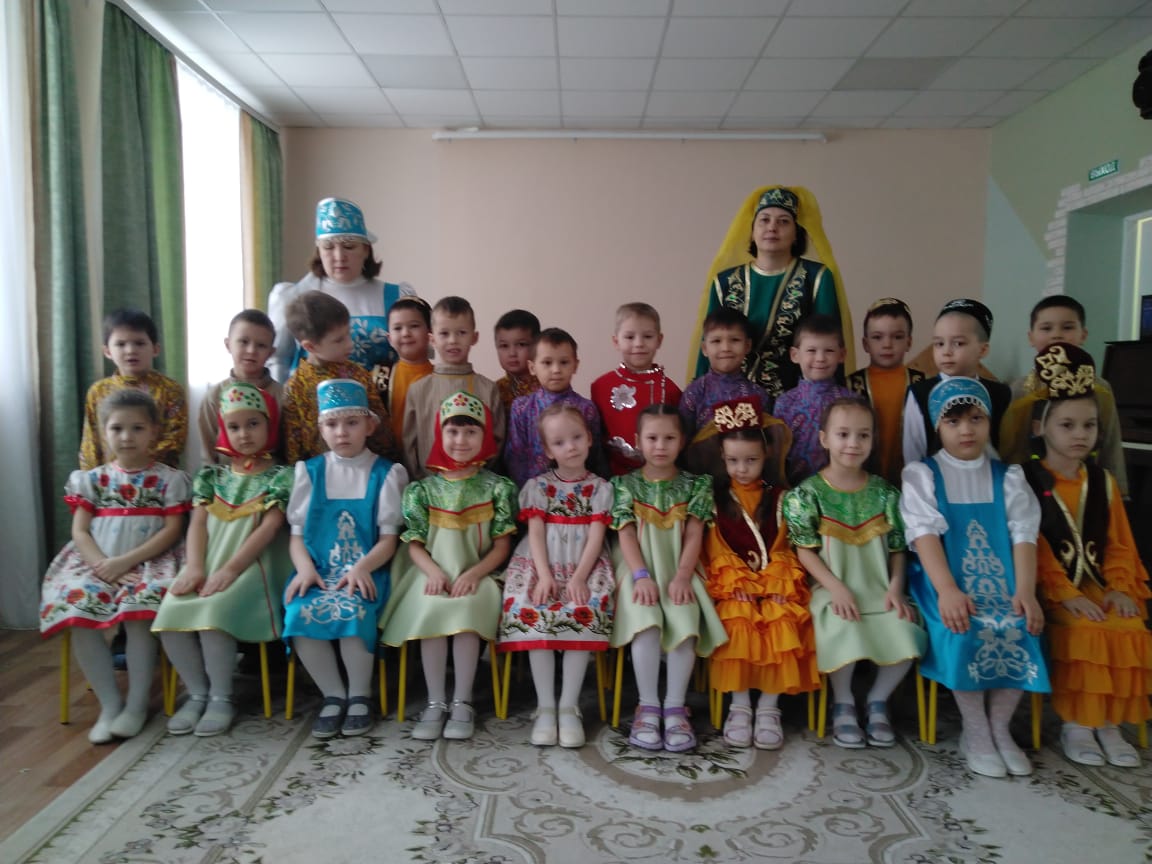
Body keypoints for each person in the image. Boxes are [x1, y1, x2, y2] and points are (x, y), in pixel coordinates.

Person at [902, 377, 1048, 779]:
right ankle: (976, 729)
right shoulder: (922, 474)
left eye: (976, 419)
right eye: (954, 422)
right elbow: (924, 535)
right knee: (964, 627)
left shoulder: (1009, 476)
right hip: (943, 579)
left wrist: (1025, 591)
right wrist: (947, 590)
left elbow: (1023, 535)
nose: (966, 430)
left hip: (1004, 580)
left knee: (1022, 623)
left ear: (989, 422)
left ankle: (1000, 727)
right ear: (938, 426)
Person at [1021, 342, 1151, 768]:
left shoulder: (1103, 482)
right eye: (1067, 425)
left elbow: (1119, 543)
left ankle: (1109, 723)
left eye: (1089, 425)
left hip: (1098, 584)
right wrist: (1065, 594)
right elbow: (1033, 546)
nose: (1080, 435)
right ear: (1040, 427)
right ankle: (1078, 723)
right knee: (1085, 628)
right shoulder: (1026, 480)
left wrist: (1119, 587)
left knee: (1128, 623)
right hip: (1049, 587)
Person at [40, 389, 190, 743]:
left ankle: (136, 705)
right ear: (103, 432)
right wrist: (101, 565)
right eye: (117, 428)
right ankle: (110, 705)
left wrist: (126, 562)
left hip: (150, 562)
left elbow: (172, 531)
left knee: (139, 615)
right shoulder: (90, 480)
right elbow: (80, 531)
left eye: (137, 428)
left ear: (154, 431)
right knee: (77, 607)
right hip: (96, 561)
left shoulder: (170, 480)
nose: (126, 437)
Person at [783, 398, 925, 749]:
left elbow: (897, 549)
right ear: (824, 438)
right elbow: (805, 550)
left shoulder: (886, 493)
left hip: (879, 588)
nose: (853, 443)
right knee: (841, 627)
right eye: (843, 434)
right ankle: (843, 701)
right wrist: (834, 588)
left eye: (863, 435)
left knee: (907, 632)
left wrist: (896, 588)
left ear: (873, 439)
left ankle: (877, 700)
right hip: (831, 589)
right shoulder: (806, 494)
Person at [154, 382, 292, 736]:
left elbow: (270, 527)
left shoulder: (282, 476)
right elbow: (198, 525)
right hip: (209, 562)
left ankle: (221, 696)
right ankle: (197, 693)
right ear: (222, 430)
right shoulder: (212, 477)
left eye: (253, 424)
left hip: (255, 566)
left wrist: (231, 570)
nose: (244, 434)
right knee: (170, 613)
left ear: (269, 425)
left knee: (214, 614)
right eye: (234, 426)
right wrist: (195, 567)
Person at [381, 392, 517, 741]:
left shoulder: (498, 488)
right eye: (453, 432)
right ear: (440, 435)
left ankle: (462, 700)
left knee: (467, 616)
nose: (461, 440)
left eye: (471, 432)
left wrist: (474, 573)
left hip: (480, 574)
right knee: (432, 613)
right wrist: (433, 572)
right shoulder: (422, 491)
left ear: (485, 436)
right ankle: (435, 700)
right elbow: (414, 544)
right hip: (432, 574)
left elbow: (502, 546)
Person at [282, 379, 408, 739]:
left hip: (368, 569)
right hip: (318, 570)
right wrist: (304, 569)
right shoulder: (309, 472)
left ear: (369, 425)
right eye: (332, 424)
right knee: (299, 610)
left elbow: (388, 540)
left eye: (351, 423)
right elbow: (296, 537)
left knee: (354, 609)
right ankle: (333, 693)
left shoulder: (386, 473)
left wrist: (362, 567)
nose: (342, 432)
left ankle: (359, 694)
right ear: (321, 428)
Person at [702, 398, 818, 749]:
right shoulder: (714, 498)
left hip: (773, 577)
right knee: (738, 617)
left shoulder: (782, 498)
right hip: (732, 584)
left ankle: (769, 706)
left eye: (751, 460)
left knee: (781, 615)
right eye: (733, 460)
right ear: (723, 457)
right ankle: (739, 705)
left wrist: (776, 582)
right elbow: (715, 545)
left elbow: (784, 545)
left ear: (766, 455)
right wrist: (735, 582)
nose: (742, 469)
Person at [609, 405, 728, 752]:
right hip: (637, 567)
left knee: (685, 622)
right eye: (652, 438)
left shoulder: (696, 484)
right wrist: (641, 576)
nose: (660, 446)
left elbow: (694, 534)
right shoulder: (623, 484)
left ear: (682, 441)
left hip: (680, 566)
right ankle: (647, 705)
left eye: (669, 438)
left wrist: (683, 575)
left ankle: (675, 706)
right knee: (645, 622)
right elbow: (626, 534)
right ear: (637, 441)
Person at [497, 404, 615, 748]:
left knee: (584, 611)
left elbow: (596, 537)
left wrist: (579, 577)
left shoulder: (601, 488)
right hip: (541, 563)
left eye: (576, 437)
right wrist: (544, 574)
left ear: (589, 439)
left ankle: (569, 706)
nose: (571, 447)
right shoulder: (538, 486)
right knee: (535, 614)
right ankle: (546, 706)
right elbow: (535, 533)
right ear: (548, 450)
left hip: (584, 565)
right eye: (560, 442)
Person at [689, 185, 853, 400]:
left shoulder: (816, 278)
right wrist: (699, 395)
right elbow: (710, 342)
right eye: (764, 220)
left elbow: (829, 341)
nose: (772, 227)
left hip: (797, 399)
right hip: (731, 399)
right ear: (752, 231)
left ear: (796, 233)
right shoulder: (725, 281)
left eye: (783, 221)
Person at [268, 197, 415, 393]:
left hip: (382, 404)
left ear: (365, 249)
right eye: (329, 247)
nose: (339, 257)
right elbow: (277, 360)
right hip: (311, 406)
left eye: (349, 246)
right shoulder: (294, 296)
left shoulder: (396, 297)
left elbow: (414, 357)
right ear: (319, 250)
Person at [1000, 295, 1127, 495]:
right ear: (1031, 337)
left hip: (1086, 485)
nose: (1056, 335)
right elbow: (1013, 445)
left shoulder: (1100, 388)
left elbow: (1110, 442)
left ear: (1083, 335)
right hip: (1028, 487)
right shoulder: (1020, 389)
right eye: (1046, 328)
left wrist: (1118, 491)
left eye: (1067, 327)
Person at [280, 292, 395, 465]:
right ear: (310, 346)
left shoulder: (359, 375)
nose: (350, 344)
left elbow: (382, 432)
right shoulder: (294, 389)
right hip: (319, 474)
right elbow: (293, 448)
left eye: (348, 334)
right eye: (339, 340)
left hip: (365, 470)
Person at [402, 296, 506, 480]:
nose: (453, 340)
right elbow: (409, 443)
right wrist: (421, 484)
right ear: (432, 339)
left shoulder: (488, 389)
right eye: (444, 333)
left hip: (478, 487)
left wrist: (480, 480)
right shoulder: (418, 390)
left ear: (474, 337)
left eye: (461, 332)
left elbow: (497, 440)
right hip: (428, 487)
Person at [903, 299, 1011, 466]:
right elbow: (913, 451)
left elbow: (1006, 448)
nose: (946, 352)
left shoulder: (1000, 393)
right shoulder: (920, 393)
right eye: (939, 344)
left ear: (983, 350)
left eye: (958, 343)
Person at [80, 308, 187, 470]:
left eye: (139, 343)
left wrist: (134, 465)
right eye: (121, 344)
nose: (130, 350)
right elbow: (91, 441)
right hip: (108, 478)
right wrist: (91, 478)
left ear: (155, 349)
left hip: (157, 477)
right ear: (107, 351)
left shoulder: (170, 390)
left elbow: (175, 439)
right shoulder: (98, 391)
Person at [591, 302, 682, 476]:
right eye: (630, 337)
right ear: (616, 341)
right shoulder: (600, 386)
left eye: (647, 336)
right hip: (612, 478)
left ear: (659, 340)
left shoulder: (670, 390)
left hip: (659, 477)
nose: (639, 344)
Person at [504, 327, 603, 487]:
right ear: (532, 367)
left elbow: (596, 457)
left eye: (564, 362)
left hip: (580, 491)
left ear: (575, 365)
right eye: (547, 363)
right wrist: (526, 494)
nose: (556, 370)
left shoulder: (586, 409)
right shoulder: (521, 408)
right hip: (534, 492)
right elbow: (515, 457)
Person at [845, 298, 925, 486]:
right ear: (865, 344)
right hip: (864, 481)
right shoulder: (850, 385)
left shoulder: (921, 383)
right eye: (877, 337)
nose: (887, 344)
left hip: (911, 482)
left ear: (909, 342)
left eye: (897, 337)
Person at [772, 315, 853, 485]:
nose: (820, 358)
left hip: (840, 488)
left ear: (842, 355)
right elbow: (776, 456)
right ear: (795, 355)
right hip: (795, 489)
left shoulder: (851, 402)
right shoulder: (785, 403)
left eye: (829, 351)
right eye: (811, 351)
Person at [197, 309, 283, 466]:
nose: (251, 350)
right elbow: (208, 455)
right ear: (228, 344)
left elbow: (289, 452)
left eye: (261, 345)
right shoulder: (214, 397)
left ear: (271, 352)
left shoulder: (283, 396)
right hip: (225, 478)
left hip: (274, 478)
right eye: (243, 342)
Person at [678, 307, 772, 439]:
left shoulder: (758, 395)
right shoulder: (695, 392)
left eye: (735, 340)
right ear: (705, 349)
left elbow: (765, 441)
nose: (726, 348)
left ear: (747, 346)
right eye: (716, 341)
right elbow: (682, 438)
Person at [385, 297, 435, 443]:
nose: (406, 333)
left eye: (414, 326)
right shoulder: (380, 376)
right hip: (390, 454)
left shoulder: (440, 377)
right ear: (389, 338)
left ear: (430, 333)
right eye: (397, 328)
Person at [494, 309, 542, 411]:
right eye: (504, 346)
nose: (512, 353)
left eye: (521, 344)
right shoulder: (495, 390)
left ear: (537, 346)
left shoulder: (548, 385)